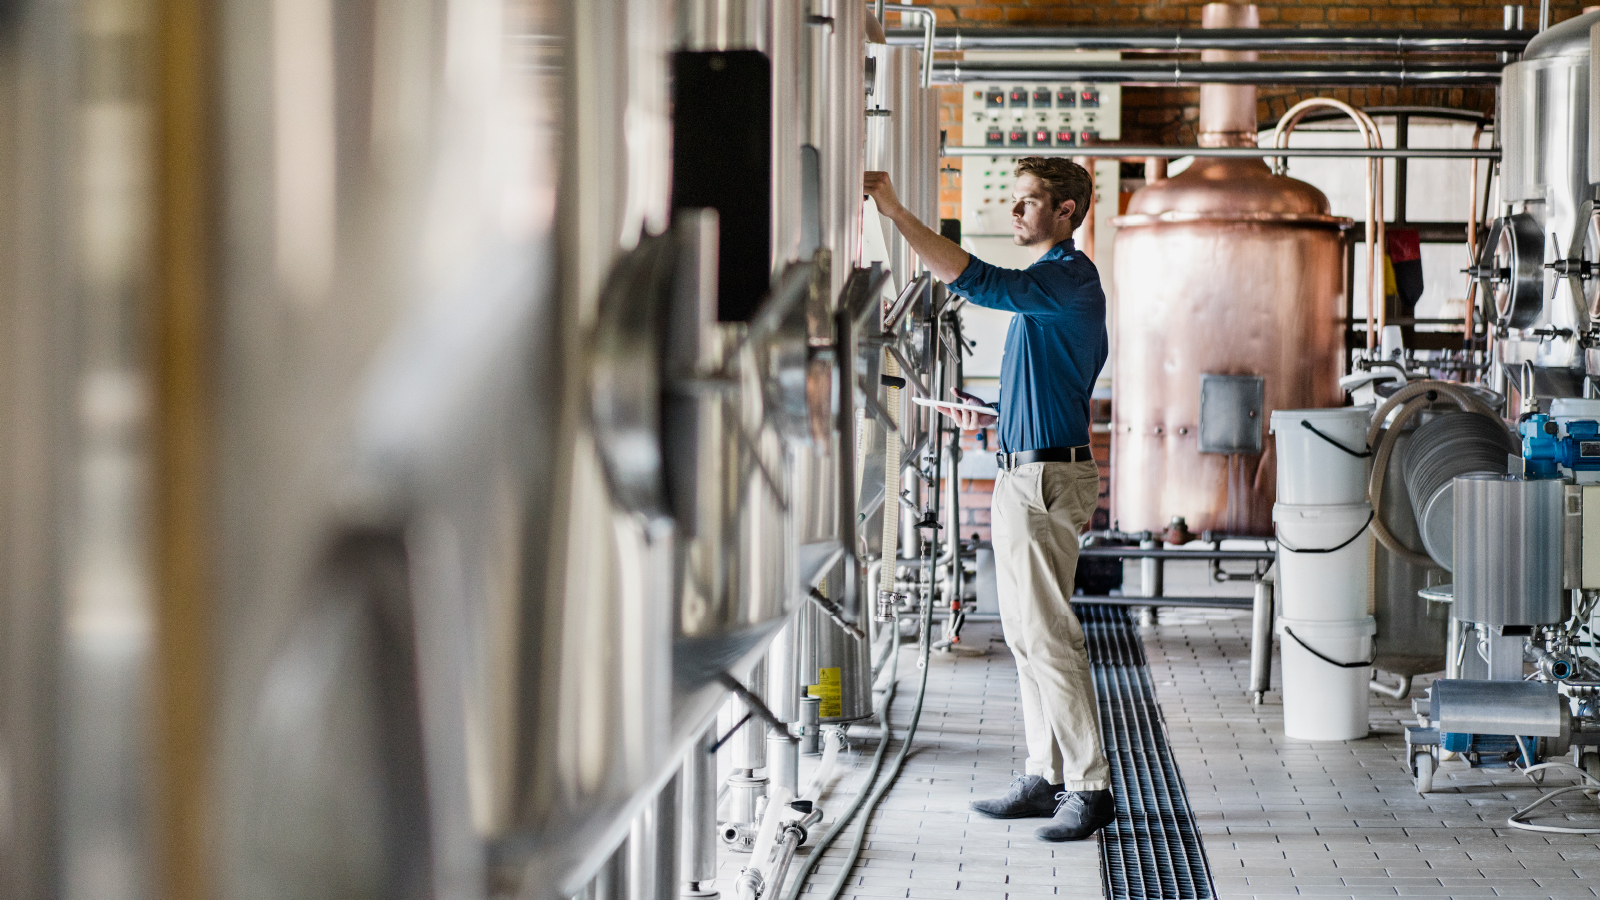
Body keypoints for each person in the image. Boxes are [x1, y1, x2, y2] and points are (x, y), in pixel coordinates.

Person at [863, 157, 1113, 842]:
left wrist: (895, 212)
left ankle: (1090, 786)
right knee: (1026, 636)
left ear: (1066, 211)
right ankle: (1045, 775)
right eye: (1014, 201)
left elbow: (975, 278)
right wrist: (988, 410)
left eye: (1029, 202)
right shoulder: (1051, 289)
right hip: (1023, 469)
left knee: (1048, 635)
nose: (1016, 213)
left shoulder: (1067, 277)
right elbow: (1048, 385)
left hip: (1045, 480)